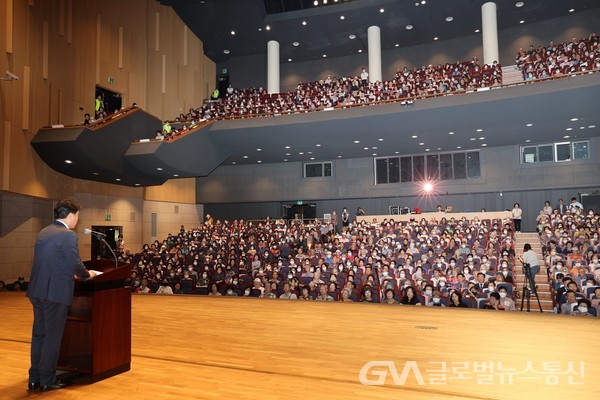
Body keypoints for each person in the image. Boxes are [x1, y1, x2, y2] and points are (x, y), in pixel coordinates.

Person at [26, 197, 96, 392]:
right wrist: (86, 274)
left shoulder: (44, 231)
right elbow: (74, 262)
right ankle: (48, 380)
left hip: (38, 290)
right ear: (71, 215)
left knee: (39, 335)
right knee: (52, 338)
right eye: (77, 217)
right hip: (55, 293)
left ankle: (35, 378)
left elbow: (53, 261)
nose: (77, 221)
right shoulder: (67, 235)